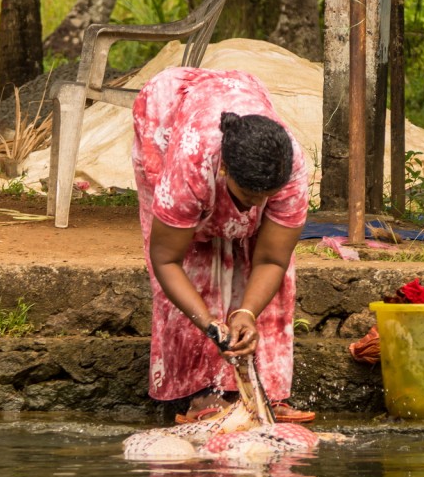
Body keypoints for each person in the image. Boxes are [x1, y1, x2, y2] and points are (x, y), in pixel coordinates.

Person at [131, 65, 314, 423]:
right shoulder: (192, 163)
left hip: (236, 101)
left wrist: (246, 313)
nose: (255, 207)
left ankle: (264, 392)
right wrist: (210, 325)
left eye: (267, 198)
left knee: (266, 277)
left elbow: (273, 260)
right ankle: (201, 395)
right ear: (226, 171)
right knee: (198, 263)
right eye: (248, 196)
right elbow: (166, 259)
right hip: (167, 119)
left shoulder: (289, 168)